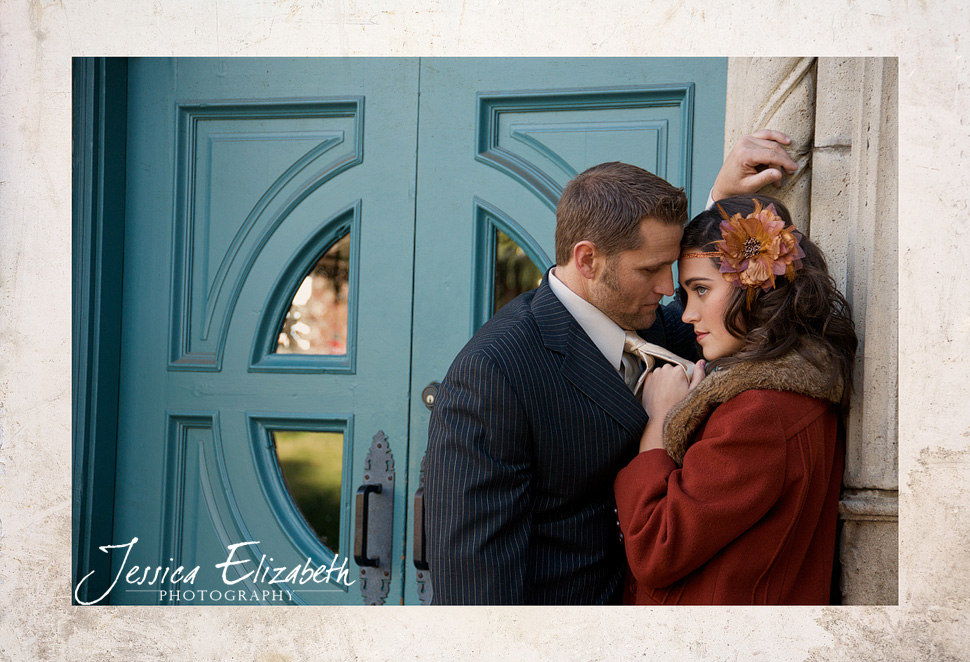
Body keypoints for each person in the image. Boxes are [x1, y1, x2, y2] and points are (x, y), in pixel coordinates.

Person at [424, 132, 800, 605]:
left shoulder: (652, 323)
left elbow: (719, 315)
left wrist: (723, 205)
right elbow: (472, 588)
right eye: (650, 271)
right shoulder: (492, 374)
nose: (669, 288)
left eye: (673, 269)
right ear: (587, 259)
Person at [614, 195, 857, 605]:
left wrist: (658, 421)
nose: (688, 314)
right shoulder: (787, 392)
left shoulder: (759, 413)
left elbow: (657, 546)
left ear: (755, 288)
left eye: (701, 290)